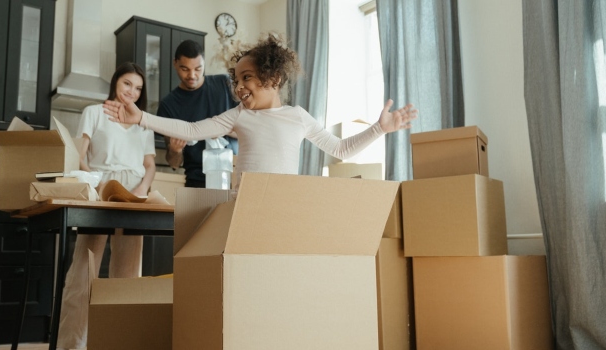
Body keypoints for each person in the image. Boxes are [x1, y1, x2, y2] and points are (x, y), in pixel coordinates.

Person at [103, 34, 417, 186]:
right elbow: (192, 130)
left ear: (274, 78)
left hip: (283, 204)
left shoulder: (298, 117)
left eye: (247, 78)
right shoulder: (240, 115)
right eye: (236, 80)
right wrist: (141, 117)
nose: (239, 87)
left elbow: (341, 148)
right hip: (242, 205)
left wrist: (380, 129)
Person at [57, 62, 156, 350]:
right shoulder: (94, 112)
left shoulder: (143, 121)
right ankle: (72, 344)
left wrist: (142, 188)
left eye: (138, 88)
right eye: (127, 84)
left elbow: (149, 164)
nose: (132, 92)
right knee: (84, 270)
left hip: (134, 194)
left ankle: (117, 342)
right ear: (115, 82)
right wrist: (96, 183)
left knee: (127, 275)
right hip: (100, 190)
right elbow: (79, 154)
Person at [157, 39, 238, 188]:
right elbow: (174, 163)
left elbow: (248, 128)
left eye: (198, 69)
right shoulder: (168, 105)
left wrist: (220, 128)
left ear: (204, 64)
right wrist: (175, 150)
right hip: (197, 181)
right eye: (185, 69)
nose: (192, 75)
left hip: (234, 176)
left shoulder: (224, 84)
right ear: (175, 63)